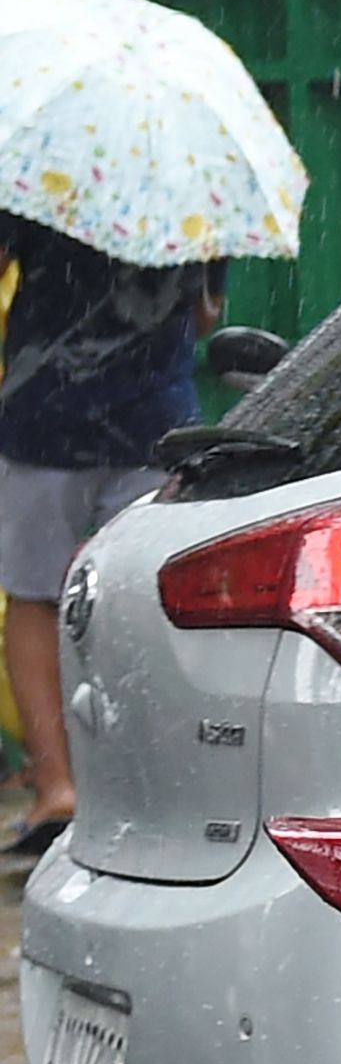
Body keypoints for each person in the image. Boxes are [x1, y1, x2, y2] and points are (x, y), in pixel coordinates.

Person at [0, 218, 222, 855]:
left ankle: (57, 787)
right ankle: (157, 776)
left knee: (34, 595)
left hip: (44, 413)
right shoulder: (198, 186)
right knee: (156, 595)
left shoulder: (43, 183)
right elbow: (205, 316)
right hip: (154, 423)